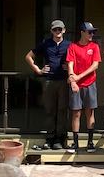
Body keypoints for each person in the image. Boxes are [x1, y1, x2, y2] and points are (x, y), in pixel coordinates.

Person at [24, 19, 70, 149]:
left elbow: (77, 60)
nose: (57, 32)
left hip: (63, 80)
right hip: (49, 80)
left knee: (62, 110)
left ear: (64, 30)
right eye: (55, 29)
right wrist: (38, 70)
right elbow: (28, 56)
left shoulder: (69, 45)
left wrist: (71, 68)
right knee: (50, 110)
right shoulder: (46, 43)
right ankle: (50, 138)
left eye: (59, 29)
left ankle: (60, 139)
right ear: (51, 31)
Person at [66, 22, 102, 153]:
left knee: (90, 112)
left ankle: (90, 142)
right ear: (82, 32)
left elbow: (95, 66)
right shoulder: (73, 47)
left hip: (90, 83)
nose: (92, 34)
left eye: (93, 32)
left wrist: (78, 77)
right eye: (89, 32)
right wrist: (72, 78)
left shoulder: (95, 46)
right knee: (76, 113)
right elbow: (70, 63)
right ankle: (75, 143)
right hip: (76, 84)